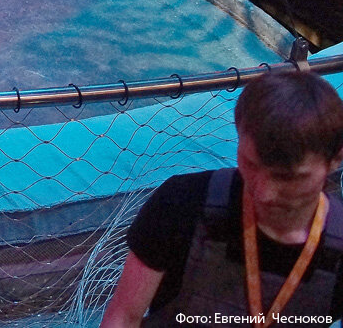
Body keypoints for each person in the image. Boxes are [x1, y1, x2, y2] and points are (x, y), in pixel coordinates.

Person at [100, 69, 343, 326]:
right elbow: (124, 317)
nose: (263, 193)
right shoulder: (181, 203)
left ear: (336, 159)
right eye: (250, 164)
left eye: (287, 178)